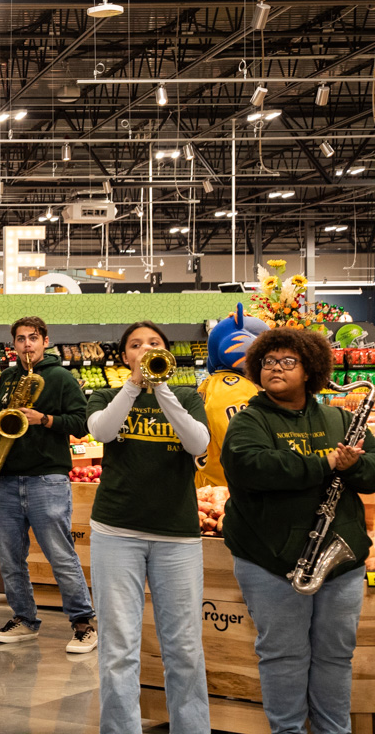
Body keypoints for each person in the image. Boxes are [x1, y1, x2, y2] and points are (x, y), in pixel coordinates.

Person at [222, 327, 375, 734]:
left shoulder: (340, 417)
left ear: (310, 370)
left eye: (288, 361)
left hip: (339, 559)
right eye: (269, 361)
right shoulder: (249, 420)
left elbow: (373, 469)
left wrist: (354, 465)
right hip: (270, 560)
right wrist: (326, 463)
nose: (276, 368)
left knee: (335, 655)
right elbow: (253, 468)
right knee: (283, 656)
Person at [86, 321, 211, 734]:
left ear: (167, 352)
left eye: (153, 344)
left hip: (177, 535)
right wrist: (134, 386)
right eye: (135, 345)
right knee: (119, 649)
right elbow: (103, 430)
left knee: (186, 647)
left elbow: (198, 444)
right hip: (116, 532)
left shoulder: (189, 396)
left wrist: (163, 390)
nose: (144, 349)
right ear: (124, 356)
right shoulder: (106, 395)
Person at [0, 316, 97, 653]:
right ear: (14, 344)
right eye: (20, 339)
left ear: (45, 341)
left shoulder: (62, 377)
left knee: (60, 556)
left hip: (47, 480)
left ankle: (83, 624)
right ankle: (24, 619)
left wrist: (44, 419)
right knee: (8, 558)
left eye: (33, 338)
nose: (27, 345)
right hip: (6, 479)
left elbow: (81, 423)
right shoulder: (7, 377)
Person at [196, 302, 267, 488]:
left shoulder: (215, 383)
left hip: (212, 484)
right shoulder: (234, 388)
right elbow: (242, 449)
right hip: (227, 489)